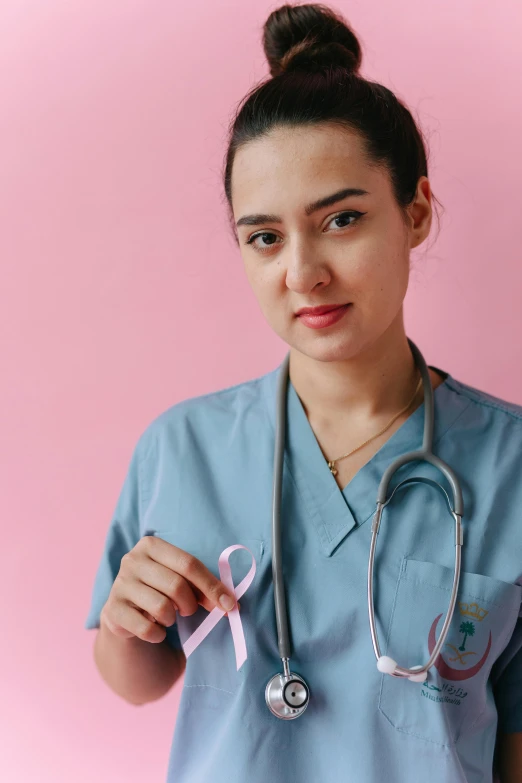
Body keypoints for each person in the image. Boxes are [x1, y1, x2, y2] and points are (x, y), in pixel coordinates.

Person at [84, 4, 522, 781]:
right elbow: (138, 678)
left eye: (342, 219)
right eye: (265, 236)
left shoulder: (510, 463)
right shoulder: (183, 446)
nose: (303, 272)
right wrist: (125, 622)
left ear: (414, 211)